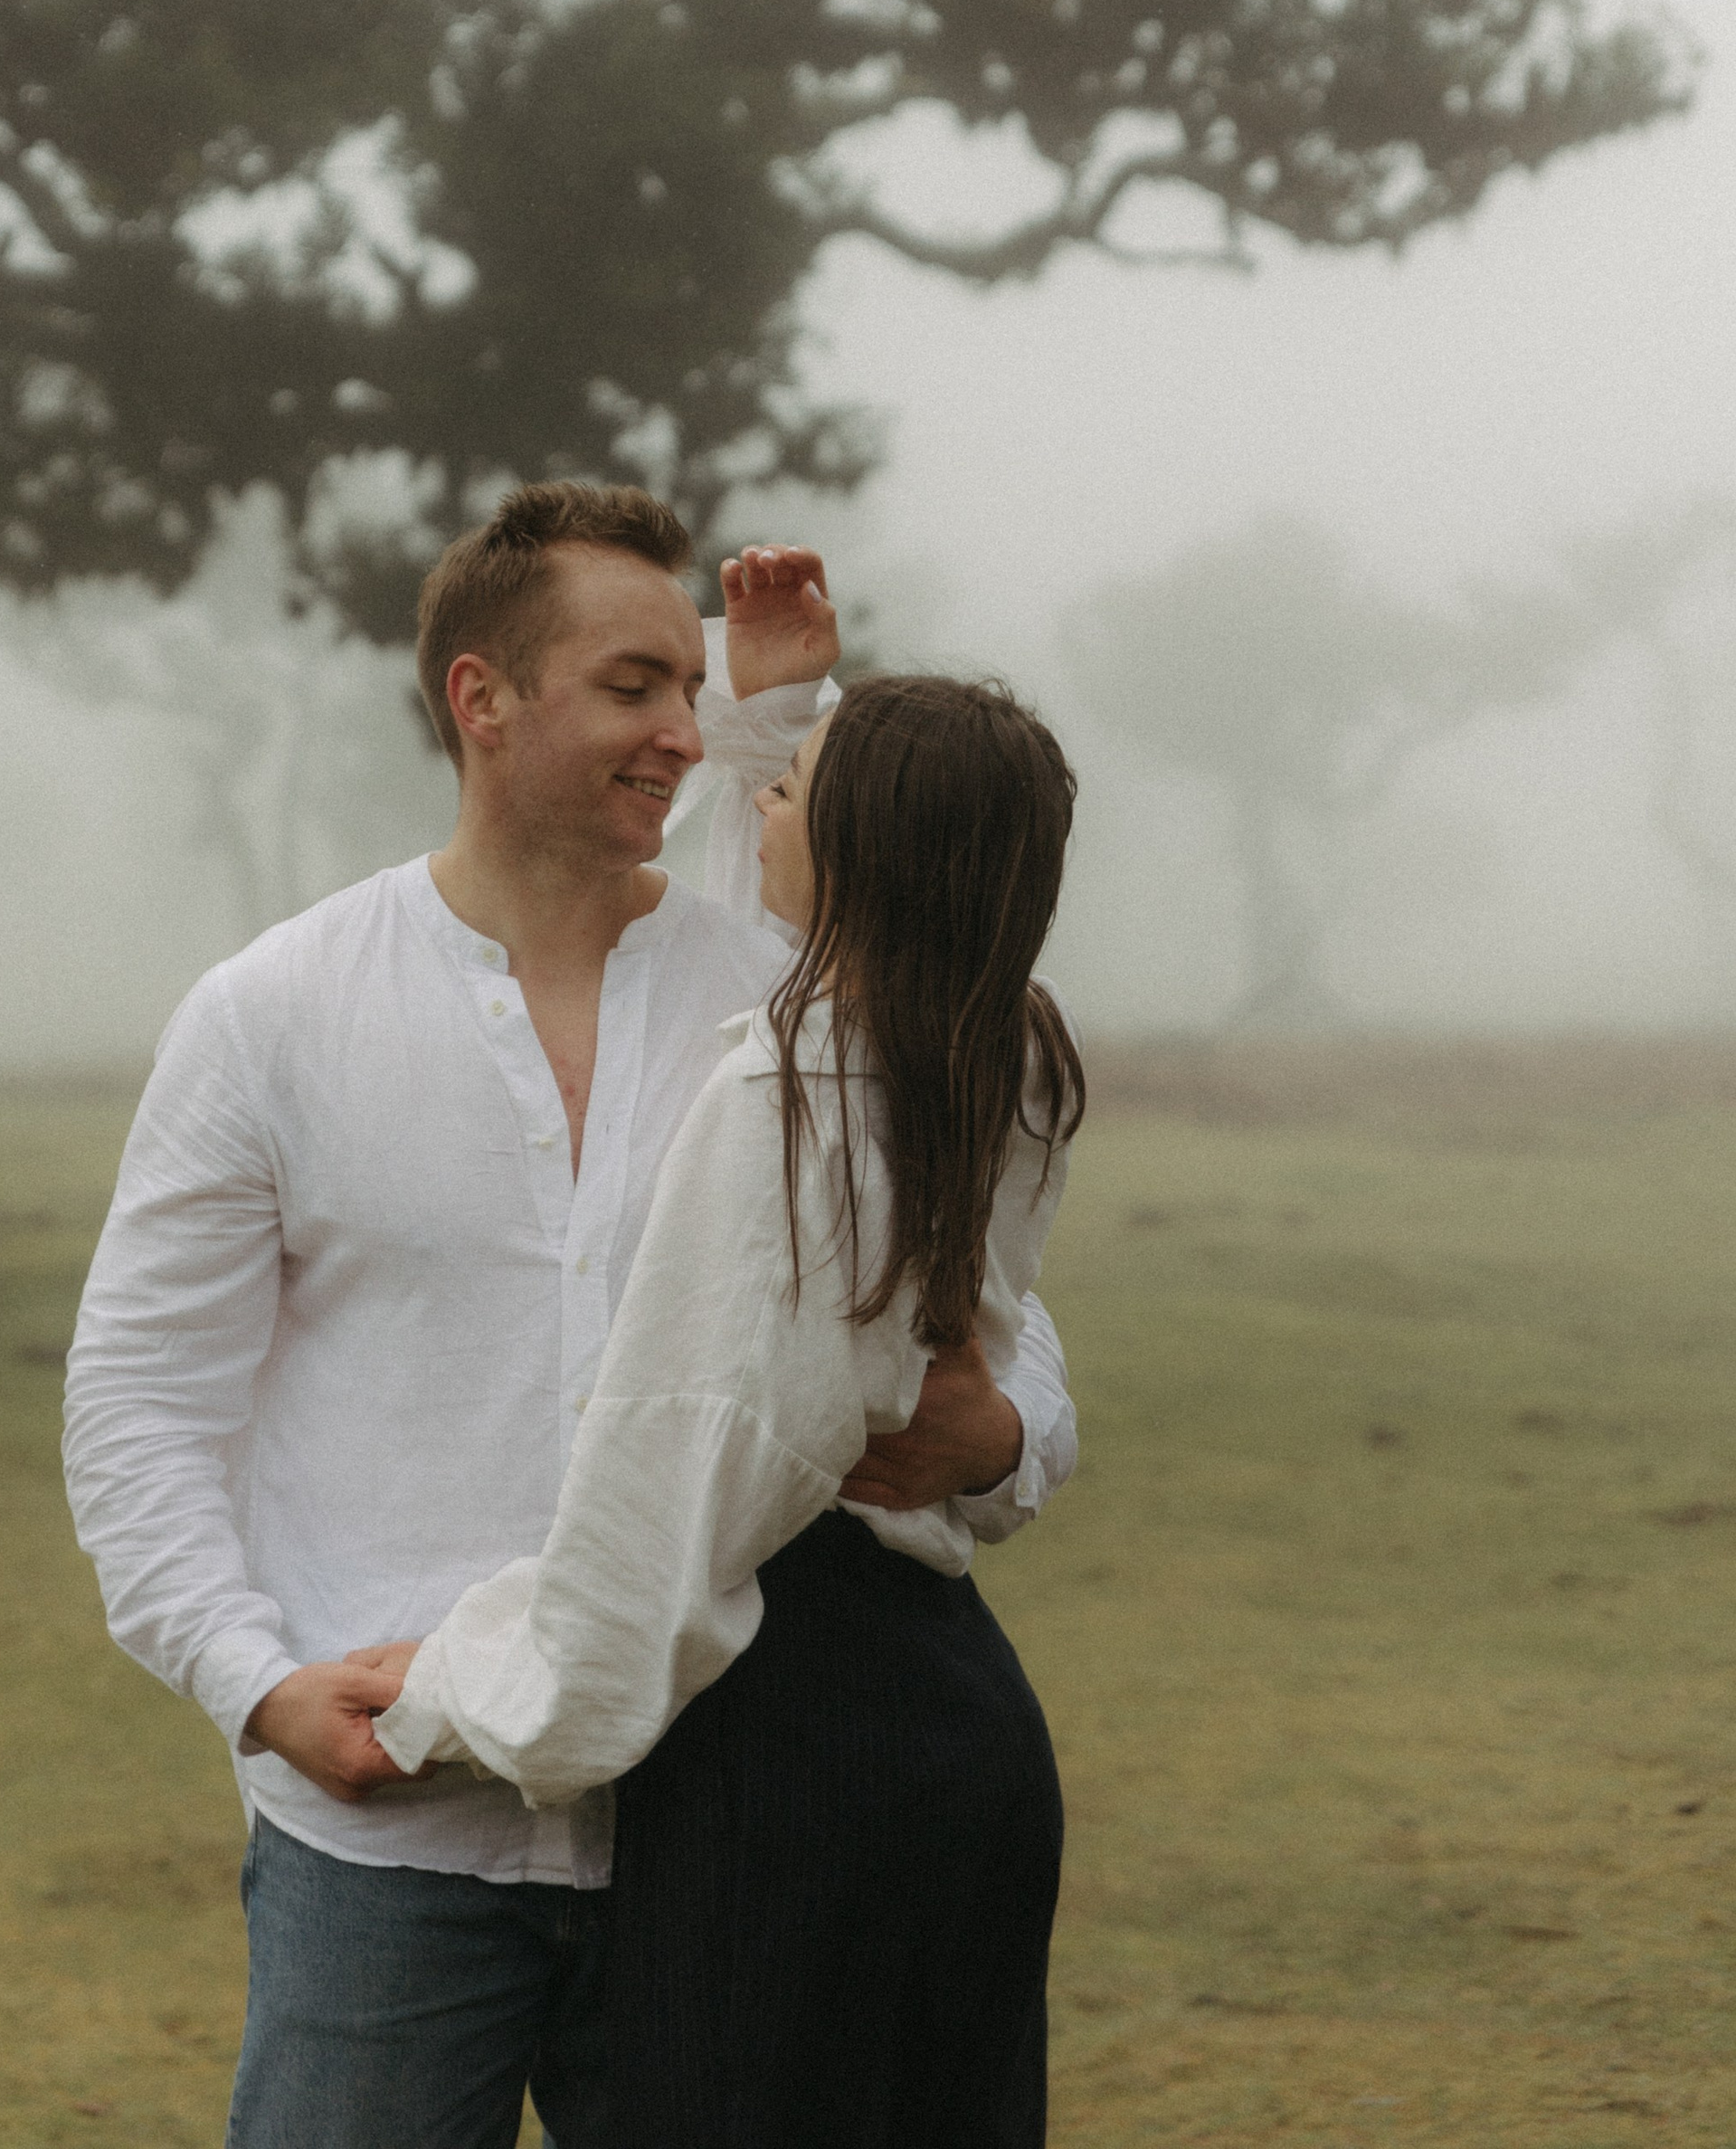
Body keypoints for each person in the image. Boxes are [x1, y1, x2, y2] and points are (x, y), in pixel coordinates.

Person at [63, 482, 1076, 2149]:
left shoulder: (791, 1006)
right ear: (482, 698)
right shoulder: (272, 1015)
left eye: (696, 689)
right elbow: (138, 1407)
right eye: (635, 688)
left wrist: (1008, 1432)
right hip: (388, 1842)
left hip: (727, 1829)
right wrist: (253, 1685)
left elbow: (990, 1321)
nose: (689, 733)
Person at [365, 667, 1084, 2144]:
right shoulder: (997, 1057)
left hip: (794, 1753)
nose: (760, 798)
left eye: (791, 786)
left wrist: (453, 1694)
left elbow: (681, 1484)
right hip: (966, 1728)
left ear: (866, 855)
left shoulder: (788, 1102)